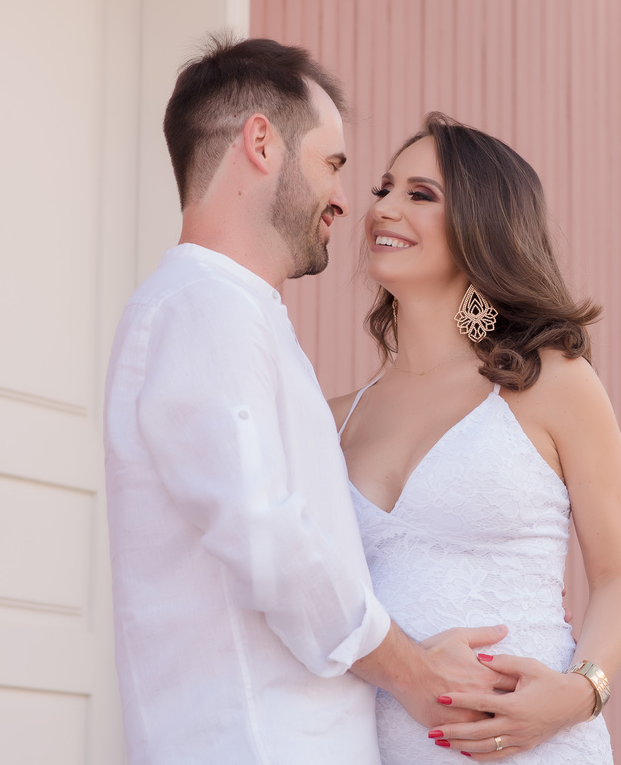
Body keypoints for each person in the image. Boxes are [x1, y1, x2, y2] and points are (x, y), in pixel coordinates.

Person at [103, 38, 512, 765]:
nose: (349, 201)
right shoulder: (204, 308)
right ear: (261, 143)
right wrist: (417, 677)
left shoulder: (237, 315)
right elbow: (271, 541)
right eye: (333, 164)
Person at [331, 113, 621, 763]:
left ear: (482, 224)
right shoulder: (335, 417)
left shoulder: (553, 383)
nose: (384, 208)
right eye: (383, 189)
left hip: (538, 748)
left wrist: (579, 691)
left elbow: (620, 577)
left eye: (420, 195)